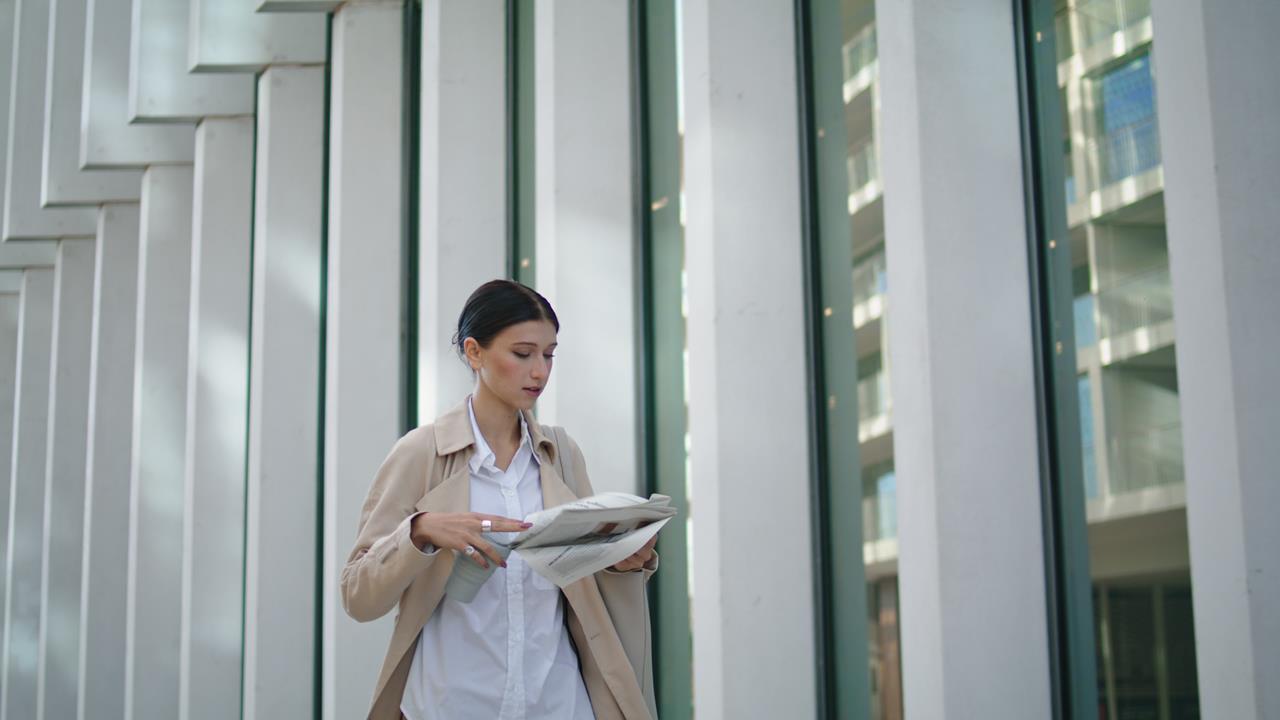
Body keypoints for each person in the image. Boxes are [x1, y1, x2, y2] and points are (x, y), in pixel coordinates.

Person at [341, 279, 658, 720]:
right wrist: (420, 531)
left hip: (558, 704)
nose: (540, 372)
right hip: (451, 705)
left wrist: (622, 560)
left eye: (549, 355)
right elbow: (358, 596)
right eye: (523, 354)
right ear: (475, 353)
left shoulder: (562, 454)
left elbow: (583, 583)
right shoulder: (421, 453)